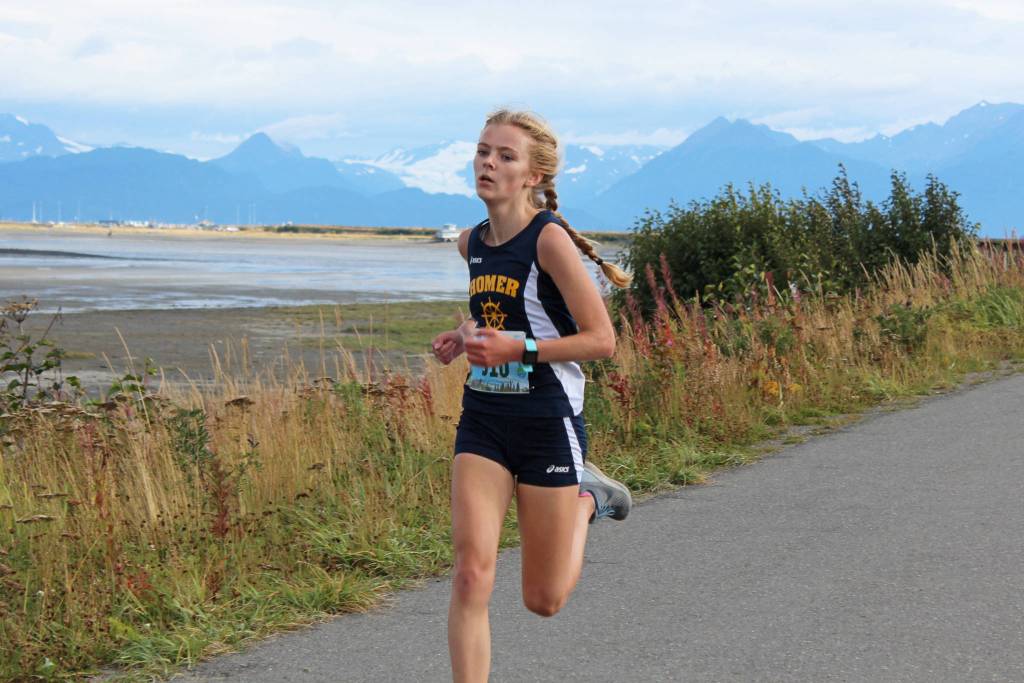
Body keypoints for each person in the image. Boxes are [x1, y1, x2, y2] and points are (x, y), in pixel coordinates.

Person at [430, 109, 633, 683]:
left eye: (505, 156)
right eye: (482, 151)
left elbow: (602, 341)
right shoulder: (471, 242)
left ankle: (588, 499)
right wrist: (464, 336)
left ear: (534, 176)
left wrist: (517, 351)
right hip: (485, 421)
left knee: (543, 600)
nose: (488, 163)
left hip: (548, 420)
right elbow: (501, 314)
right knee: (471, 574)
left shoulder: (549, 241)